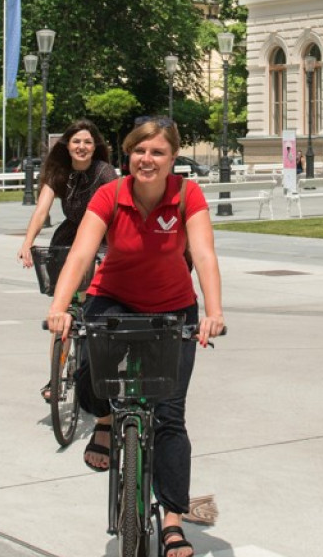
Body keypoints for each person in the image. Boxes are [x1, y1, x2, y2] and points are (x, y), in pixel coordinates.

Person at [45, 117, 223, 557]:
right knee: (91, 383)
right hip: (114, 299)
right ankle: (104, 420)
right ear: (128, 155)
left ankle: (174, 520)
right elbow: (83, 251)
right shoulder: (111, 194)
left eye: (158, 152)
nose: (148, 160)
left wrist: (214, 311)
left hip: (173, 308)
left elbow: (202, 253)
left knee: (169, 416)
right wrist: (59, 307)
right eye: (140, 151)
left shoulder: (187, 195)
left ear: (173, 158)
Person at [16, 120, 118, 269]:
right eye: (76, 141)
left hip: (100, 237)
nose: (82, 147)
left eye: (88, 142)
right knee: (62, 279)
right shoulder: (58, 172)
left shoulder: (104, 171)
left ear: (94, 147)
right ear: (68, 145)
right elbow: (41, 211)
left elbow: (119, 206)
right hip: (68, 237)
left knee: (92, 278)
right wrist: (27, 242)